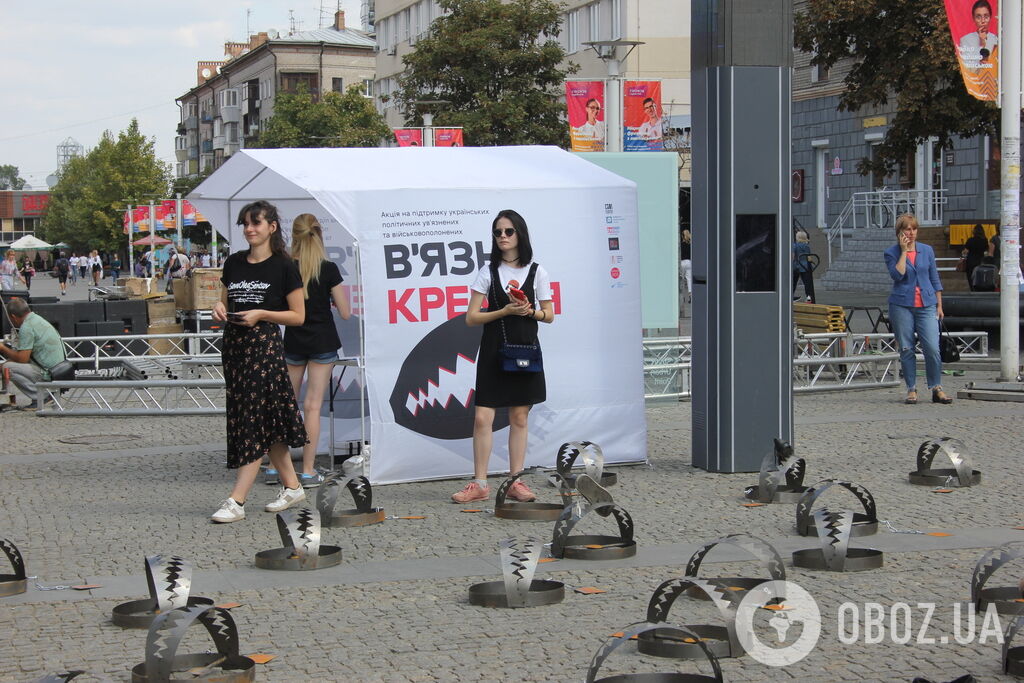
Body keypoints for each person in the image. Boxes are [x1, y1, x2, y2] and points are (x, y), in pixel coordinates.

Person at [210, 200, 308, 523]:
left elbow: (298, 315)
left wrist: (262, 314)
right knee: (261, 418)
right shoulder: (235, 262)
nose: (250, 229)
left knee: (253, 420)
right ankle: (292, 486)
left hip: (264, 348)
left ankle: (236, 500)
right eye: (246, 224)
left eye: (256, 223)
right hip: (235, 349)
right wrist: (218, 308)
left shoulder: (283, 266)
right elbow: (223, 300)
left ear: (272, 227)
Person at [451, 209, 555, 504]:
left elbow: (549, 315)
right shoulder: (488, 272)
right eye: (497, 232)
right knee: (483, 417)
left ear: (520, 234)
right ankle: (480, 483)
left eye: (508, 231)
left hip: (525, 348)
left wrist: (529, 311)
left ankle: (515, 480)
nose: (502, 237)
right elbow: (472, 317)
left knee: (519, 417)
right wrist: (504, 311)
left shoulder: (538, 271)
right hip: (494, 350)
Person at [285, 214, 352, 488]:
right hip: (323, 342)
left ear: (294, 235)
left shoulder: (286, 268)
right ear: (319, 234)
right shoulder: (328, 269)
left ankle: (280, 466)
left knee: (287, 405)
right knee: (313, 406)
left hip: (294, 341)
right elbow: (346, 313)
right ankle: (309, 471)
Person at [883, 214, 952, 405]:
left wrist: (939, 304)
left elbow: (934, 277)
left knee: (932, 348)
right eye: (907, 229)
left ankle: (936, 387)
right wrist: (904, 252)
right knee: (906, 348)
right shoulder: (891, 252)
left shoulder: (927, 250)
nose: (911, 233)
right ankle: (911, 388)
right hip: (901, 305)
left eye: (914, 229)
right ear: (899, 232)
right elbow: (898, 275)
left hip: (927, 303)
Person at [0, 298, 66, 411]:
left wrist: (2, 348)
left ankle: (42, 397)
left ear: (13, 317)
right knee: (7, 365)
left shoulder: (27, 327)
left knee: (7, 368)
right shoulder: (36, 319)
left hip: (49, 372)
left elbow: (22, 359)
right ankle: (44, 395)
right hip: (59, 368)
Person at [960, 0, 998, 68]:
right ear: (973, 18)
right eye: (978, 17)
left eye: (986, 17)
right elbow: (968, 68)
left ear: (990, 17)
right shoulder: (965, 40)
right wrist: (982, 43)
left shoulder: (996, 39)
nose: (983, 21)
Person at [962, 224, 989, 290]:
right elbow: (986, 251)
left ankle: (972, 289)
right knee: (979, 277)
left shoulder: (970, 240)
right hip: (980, 262)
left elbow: (965, 252)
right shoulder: (985, 240)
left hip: (970, 262)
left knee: (971, 278)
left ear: (974, 231)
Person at [792, 231, 815, 303]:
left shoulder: (794, 245)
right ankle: (810, 300)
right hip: (806, 266)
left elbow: (792, 256)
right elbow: (809, 257)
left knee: (793, 283)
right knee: (808, 285)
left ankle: (789, 297)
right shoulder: (806, 246)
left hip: (796, 266)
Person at [680, 228, 692, 301]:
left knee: (682, 279)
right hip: (689, 262)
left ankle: (683, 296)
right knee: (689, 279)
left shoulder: (681, 244)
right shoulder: (691, 244)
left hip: (682, 262)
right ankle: (690, 295)